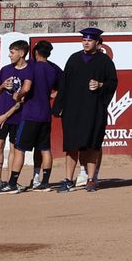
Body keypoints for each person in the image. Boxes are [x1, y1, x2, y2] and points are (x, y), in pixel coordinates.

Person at [52, 28, 117, 193]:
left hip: (94, 109)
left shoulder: (104, 61)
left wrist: (101, 85)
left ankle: (91, 179)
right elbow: (64, 84)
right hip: (73, 110)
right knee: (71, 145)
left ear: (97, 42)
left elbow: (113, 83)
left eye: (89, 40)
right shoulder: (74, 59)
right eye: (84, 40)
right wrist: (59, 106)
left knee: (92, 145)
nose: (86, 42)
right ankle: (68, 180)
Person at [0, 40, 59, 194]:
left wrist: (18, 96)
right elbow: (59, 90)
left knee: (19, 149)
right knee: (45, 149)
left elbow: (26, 87)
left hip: (31, 114)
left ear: (36, 52)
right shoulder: (53, 69)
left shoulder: (33, 66)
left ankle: (12, 183)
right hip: (45, 114)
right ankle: (44, 183)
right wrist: (48, 96)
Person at [0, 40, 31, 191]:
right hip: (0, 112)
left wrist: (5, 116)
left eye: (12, 52)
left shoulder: (29, 72)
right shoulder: (5, 69)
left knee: (14, 147)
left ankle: (10, 181)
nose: (9, 55)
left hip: (17, 115)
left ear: (21, 53)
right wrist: (1, 86)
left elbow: (22, 101)